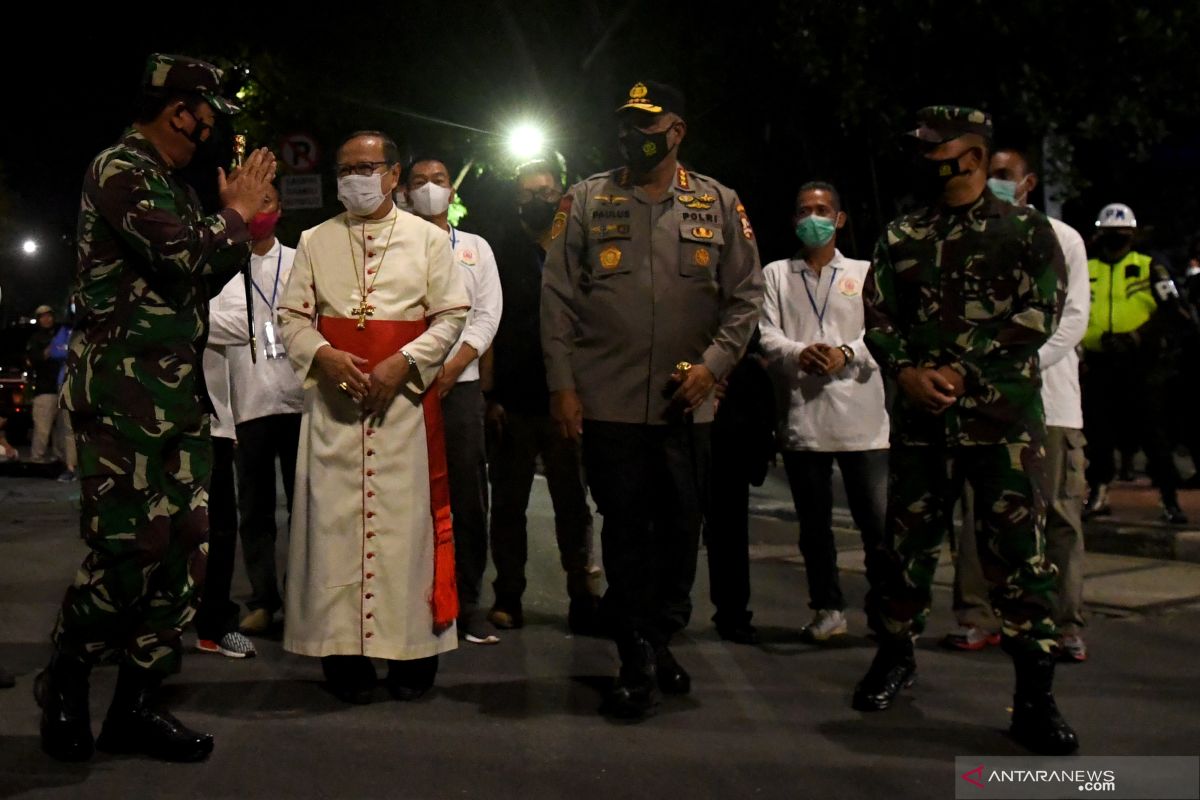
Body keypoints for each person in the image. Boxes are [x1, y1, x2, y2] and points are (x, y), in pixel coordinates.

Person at [40, 54, 275, 763]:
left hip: (174, 396)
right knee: (127, 553)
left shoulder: (168, 183)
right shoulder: (122, 168)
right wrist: (232, 215)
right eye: (209, 113)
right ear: (179, 111)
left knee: (184, 553)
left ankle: (136, 706)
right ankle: (66, 679)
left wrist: (241, 228)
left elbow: (203, 270)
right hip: (120, 396)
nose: (213, 127)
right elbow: (179, 257)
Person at [859, 106, 1078, 755]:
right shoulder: (904, 233)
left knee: (1018, 560)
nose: (926, 157)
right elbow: (878, 314)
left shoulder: (1027, 232)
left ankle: (1035, 696)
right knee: (905, 550)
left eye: (938, 147)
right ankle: (895, 656)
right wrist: (903, 372)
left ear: (976, 156)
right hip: (923, 424)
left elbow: (1040, 314)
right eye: (921, 145)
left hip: (1002, 423)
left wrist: (957, 367)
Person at [541, 81, 763, 719]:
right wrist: (562, 385)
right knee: (626, 526)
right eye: (626, 125)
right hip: (607, 399)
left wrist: (715, 367)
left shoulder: (718, 203)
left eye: (648, 123)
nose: (634, 136)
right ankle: (636, 650)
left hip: (685, 399)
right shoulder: (585, 199)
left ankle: (659, 633)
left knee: (681, 526)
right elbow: (556, 297)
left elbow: (745, 296)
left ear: (677, 130)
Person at [277, 131, 469, 705]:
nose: (354, 178)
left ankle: (413, 654)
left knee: (404, 532)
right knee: (333, 530)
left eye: (367, 167)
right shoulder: (313, 239)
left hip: (403, 406)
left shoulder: (428, 241)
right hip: (335, 408)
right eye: (345, 169)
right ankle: (343, 656)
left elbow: (453, 312)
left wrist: (404, 363)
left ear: (392, 174)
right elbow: (291, 316)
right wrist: (323, 355)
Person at [939, 148, 1091, 662]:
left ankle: (1065, 623)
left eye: (1005, 176)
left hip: (1051, 405)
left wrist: (1016, 369)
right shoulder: (971, 238)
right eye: (991, 175)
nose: (996, 183)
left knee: (1059, 518)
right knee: (979, 513)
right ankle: (978, 616)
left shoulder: (1062, 238)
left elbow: (1071, 322)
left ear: (1027, 184)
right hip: (988, 404)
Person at [759, 181, 889, 643]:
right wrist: (800, 352)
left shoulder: (866, 270)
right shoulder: (776, 273)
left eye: (821, 209)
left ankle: (886, 610)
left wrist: (845, 354)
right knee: (814, 529)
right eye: (803, 210)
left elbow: (881, 333)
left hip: (863, 423)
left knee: (876, 526)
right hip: (804, 420)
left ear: (839, 219)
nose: (812, 217)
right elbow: (766, 333)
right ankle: (828, 608)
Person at [486, 160, 600, 634]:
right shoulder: (500, 251)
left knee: (573, 502)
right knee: (508, 506)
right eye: (529, 192)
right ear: (517, 199)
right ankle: (508, 595)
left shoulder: (580, 248)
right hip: (512, 401)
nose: (539, 199)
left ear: (563, 193)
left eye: (547, 191)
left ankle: (582, 596)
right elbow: (488, 323)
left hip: (567, 398)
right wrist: (490, 393)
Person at [405, 157, 503, 645]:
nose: (429, 188)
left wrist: (452, 367)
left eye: (438, 181)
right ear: (403, 190)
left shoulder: (475, 248)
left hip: (458, 387)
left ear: (451, 190)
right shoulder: (393, 242)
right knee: (409, 498)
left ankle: (467, 602)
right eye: (419, 181)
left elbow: (487, 317)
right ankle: (412, 600)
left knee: (466, 494)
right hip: (403, 385)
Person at [208, 182, 305, 636]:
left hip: (301, 401)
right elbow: (211, 319)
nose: (259, 211)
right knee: (255, 511)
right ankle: (264, 599)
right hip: (249, 404)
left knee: (307, 508)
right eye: (251, 203)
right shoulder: (223, 265)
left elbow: (314, 317)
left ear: (279, 209)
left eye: (267, 201)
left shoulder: (302, 260)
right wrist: (261, 320)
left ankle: (306, 598)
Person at [1080, 202, 1192, 523]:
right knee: (1098, 433)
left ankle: (1169, 500)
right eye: (1109, 233)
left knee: (1152, 433)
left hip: (1140, 364)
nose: (1115, 239)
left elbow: (1174, 311)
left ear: (1132, 235)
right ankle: (1098, 493)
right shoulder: (1087, 268)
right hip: (1099, 362)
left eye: (1121, 233)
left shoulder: (1149, 266)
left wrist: (1138, 336)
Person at [192, 311, 256, 659]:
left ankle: (215, 626)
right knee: (151, 530)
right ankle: (139, 628)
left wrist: (178, 310)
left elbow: (244, 324)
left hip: (211, 422)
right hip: (149, 414)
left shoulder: (220, 263)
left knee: (219, 531)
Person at [704, 329, 774, 645]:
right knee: (670, 519)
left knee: (729, 520)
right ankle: (663, 609)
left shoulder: (740, 287)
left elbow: (748, 334)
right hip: (684, 394)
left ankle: (732, 611)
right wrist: (693, 373)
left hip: (733, 410)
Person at [26, 305, 66, 465]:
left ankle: (60, 461)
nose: (46, 319)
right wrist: (54, 346)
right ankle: (37, 460)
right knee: (42, 429)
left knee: (62, 430)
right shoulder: (35, 339)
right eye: (42, 316)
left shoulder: (62, 334)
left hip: (63, 389)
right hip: (45, 390)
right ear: (38, 319)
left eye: (49, 315)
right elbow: (34, 359)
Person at [47, 313, 78, 481]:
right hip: (67, 382)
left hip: (92, 383)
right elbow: (55, 350)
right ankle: (70, 467)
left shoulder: (98, 326)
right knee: (68, 427)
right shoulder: (66, 330)